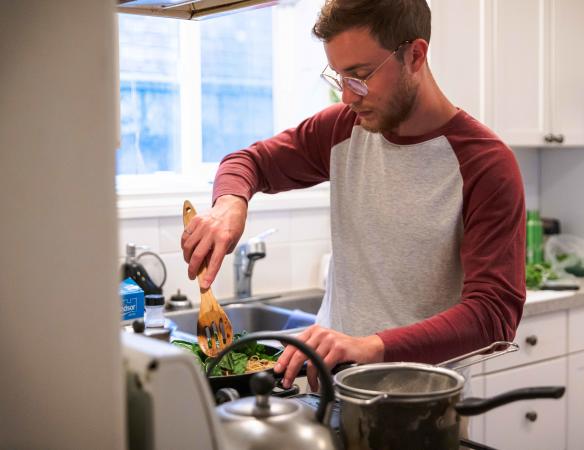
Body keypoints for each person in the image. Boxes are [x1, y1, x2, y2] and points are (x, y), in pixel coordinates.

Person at [181, 0, 526, 392]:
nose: (346, 97)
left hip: (420, 410)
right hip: (328, 394)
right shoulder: (344, 129)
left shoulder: (485, 164)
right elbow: (250, 162)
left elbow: (493, 316)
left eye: (360, 76)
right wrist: (230, 203)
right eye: (339, 77)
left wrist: (369, 347)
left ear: (415, 55)